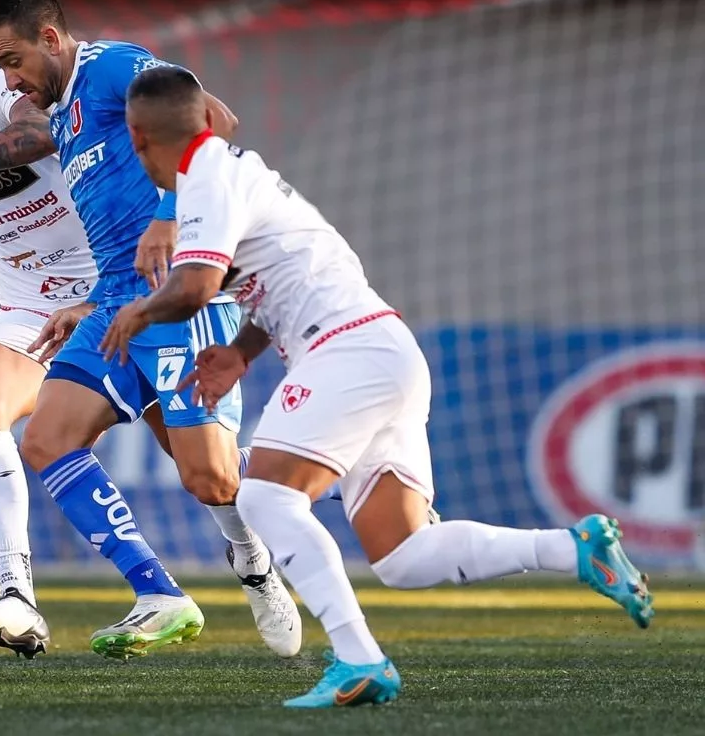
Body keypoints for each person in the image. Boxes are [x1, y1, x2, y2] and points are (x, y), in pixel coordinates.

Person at [100, 64, 654, 707]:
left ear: (137, 138)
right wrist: (242, 353)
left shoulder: (206, 179)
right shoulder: (231, 167)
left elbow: (195, 287)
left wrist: (138, 311)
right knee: (403, 556)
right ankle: (573, 548)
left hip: (348, 354)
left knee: (266, 499)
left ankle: (358, 660)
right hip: (381, 350)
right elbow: (283, 275)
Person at [0, 0, 302, 661]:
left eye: (11, 63)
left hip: (178, 296)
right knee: (46, 439)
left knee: (210, 479)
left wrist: (169, 216)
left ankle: (256, 556)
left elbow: (215, 119)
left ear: (49, 39)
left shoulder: (110, 68)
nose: (9, 80)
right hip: (112, 302)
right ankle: (158, 594)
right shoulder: (61, 112)